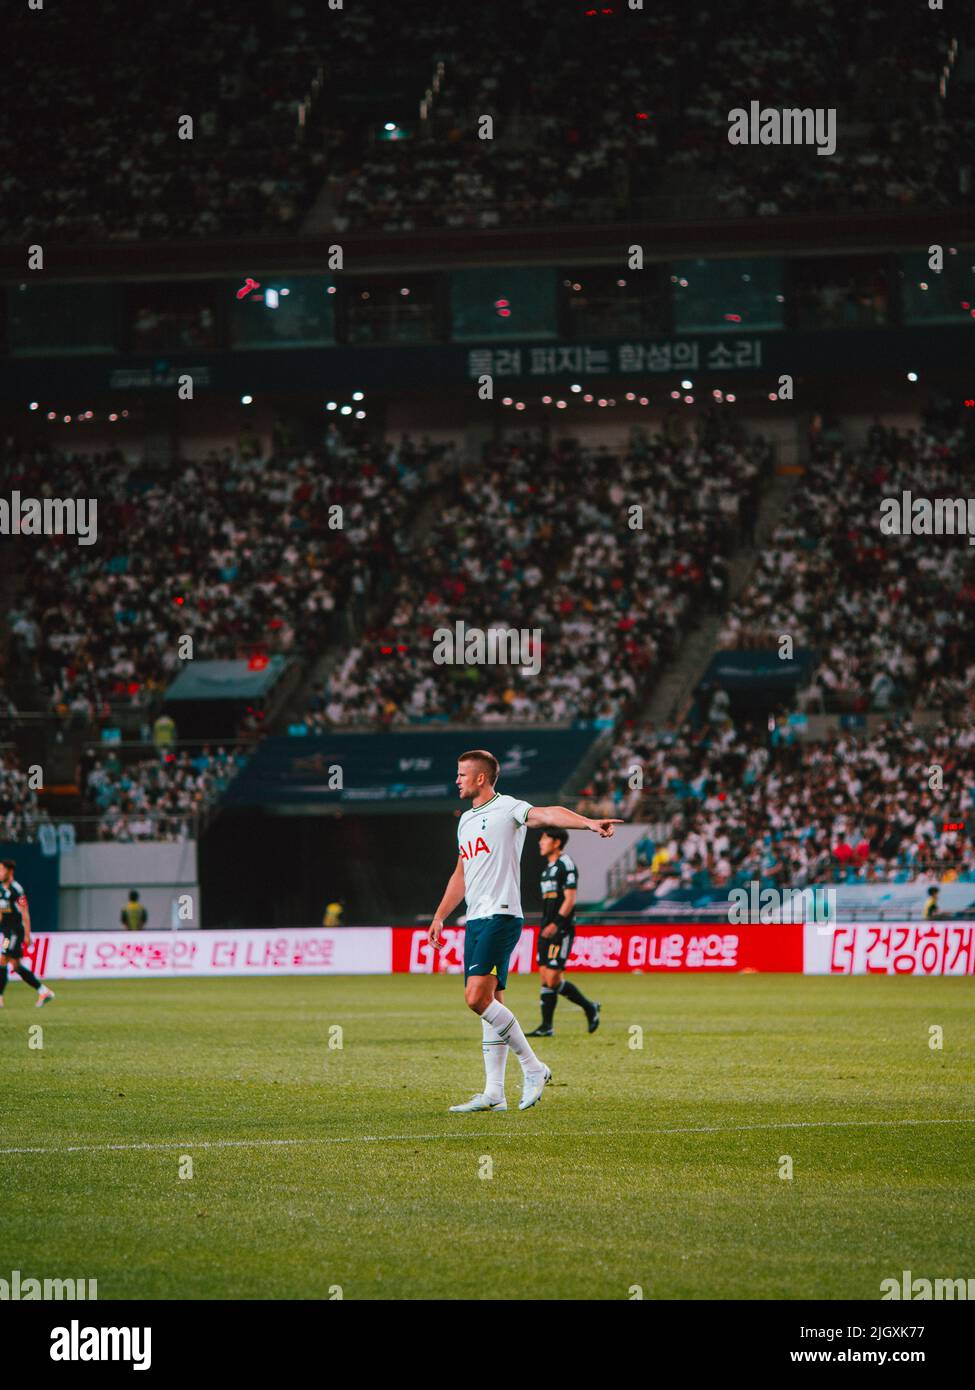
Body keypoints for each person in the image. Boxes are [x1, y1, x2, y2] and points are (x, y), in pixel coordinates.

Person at [428, 750, 620, 1114]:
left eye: (462, 774)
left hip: (501, 916)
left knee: (476, 1000)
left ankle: (534, 1068)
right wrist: (440, 916)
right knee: (491, 1003)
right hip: (476, 919)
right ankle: (494, 1093)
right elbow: (461, 875)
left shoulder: (508, 808)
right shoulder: (465, 821)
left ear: (481, 778)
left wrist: (589, 823)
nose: (457, 780)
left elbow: (548, 814)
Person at [527, 829, 599, 1038]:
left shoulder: (566, 864)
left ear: (556, 842)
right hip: (546, 928)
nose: (540, 842)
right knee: (545, 978)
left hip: (560, 929)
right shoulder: (547, 870)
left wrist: (557, 924)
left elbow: (570, 899)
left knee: (552, 978)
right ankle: (546, 1026)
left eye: (544, 838)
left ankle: (589, 1007)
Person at [0, 860, 55, 1009]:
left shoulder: (17, 889)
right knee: (16, 966)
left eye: (2, 870)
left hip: (13, 932)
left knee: (3, 959)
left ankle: (0, 998)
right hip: (6, 931)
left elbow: (25, 912)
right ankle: (44, 991)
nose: (0, 873)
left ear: (10, 871)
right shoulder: (0, 889)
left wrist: (27, 934)